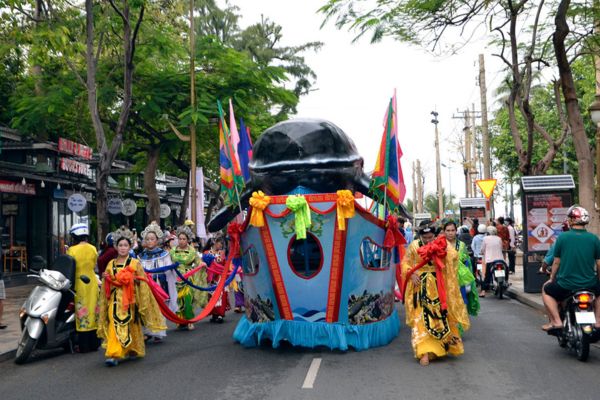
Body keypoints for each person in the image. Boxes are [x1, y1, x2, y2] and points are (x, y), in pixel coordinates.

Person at [401, 220, 470, 366]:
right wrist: (411, 274)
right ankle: (424, 352)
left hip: (438, 286)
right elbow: (405, 263)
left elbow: (454, 257)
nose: (427, 240)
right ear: (420, 236)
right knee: (420, 319)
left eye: (430, 237)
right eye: (425, 238)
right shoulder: (414, 246)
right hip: (419, 287)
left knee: (439, 318)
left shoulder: (441, 244)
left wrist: (443, 250)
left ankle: (438, 349)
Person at [97, 227, 166, 366]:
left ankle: (132, 348)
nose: (123, 248)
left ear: (130, 247)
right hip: (114, 300)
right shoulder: (111, 264)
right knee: (114, 325)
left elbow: (142, 282)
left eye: (126, 245)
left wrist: (133, 280)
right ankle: (113, 354)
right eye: (120, 245)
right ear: (116, 247)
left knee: (130, 325)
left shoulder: (135, 263)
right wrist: (106, 279)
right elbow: (107, 284)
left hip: (130, 300)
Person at [541, 206, 600, 331]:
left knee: (546, 290)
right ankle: (598, 321)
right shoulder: (594, 239)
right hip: (590, 284)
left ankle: (556, 321)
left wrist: (551, 278)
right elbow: (599, 264)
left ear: (571, 220)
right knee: (598, 294)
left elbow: (556, 261)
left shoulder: (563, 237)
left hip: (566, 285)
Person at [138, 221, 178, 341]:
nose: (150, 241)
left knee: (158, 307)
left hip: (158, 284)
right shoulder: (140, 256)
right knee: (146, 307)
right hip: (145, 285)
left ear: (157, 240)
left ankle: (158, 331)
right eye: (148, 239)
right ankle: (148, 331)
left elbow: (169, 269)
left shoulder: (164, 254)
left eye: (152, 239)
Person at [66, 223, 100, 352]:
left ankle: (83, 346)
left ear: (75, 236)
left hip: (79, 283)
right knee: (93, 311)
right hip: (92, 282)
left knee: (82, 312)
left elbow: (70, 267)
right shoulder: (93, 248)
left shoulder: (71, 250)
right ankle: (94, 343)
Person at [170, 225, 208, 330]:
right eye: (180, 239)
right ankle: (180, 320)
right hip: (175, 279)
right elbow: (168, 264)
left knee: (187, 299)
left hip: (188, 278)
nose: (181, 241)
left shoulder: (192, 251)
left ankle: (189, 320)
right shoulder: (172, 251)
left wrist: (202, 263)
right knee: (177, 300)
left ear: (187, 240)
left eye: (184, 239)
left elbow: (198, 262)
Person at [442, 221, 479, 317]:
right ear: (444, 231)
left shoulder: (461, 245)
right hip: (444, 280)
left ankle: (458, 329)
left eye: (452, 230)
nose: (450, 233)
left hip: (459, 281)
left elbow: (467, 263)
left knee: (460, 305)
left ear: (456, 231)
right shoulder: (440, 244)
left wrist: (468, 282)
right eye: (448, 230)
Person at [479, 225, 505, 298]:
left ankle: (483, 291)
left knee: (487, 276)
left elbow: (482, 249)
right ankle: (505, 281)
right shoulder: (499, 238)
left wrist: (481, 252)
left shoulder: (485, 238)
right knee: (506, 269)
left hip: (490, 260)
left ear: (488, 232)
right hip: (500, 259)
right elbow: (501, 247)